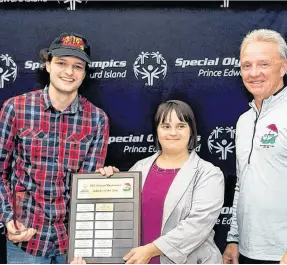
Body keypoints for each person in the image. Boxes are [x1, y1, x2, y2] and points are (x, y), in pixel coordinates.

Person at [0, 32, 110, 264]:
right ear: (47, 64)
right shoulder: (15, 108)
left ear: (84, 73)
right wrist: (8, 218)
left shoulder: (97, 120)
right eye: (61, 63)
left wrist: (85, 243)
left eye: (77, 66)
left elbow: (88, 190)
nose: (69, 72)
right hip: (26, 240)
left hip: (71, 246)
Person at [95, 100, 224, 264]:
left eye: (181, 126)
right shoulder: (139, 168)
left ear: (191, 131)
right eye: (166, 126)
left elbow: (197, 226)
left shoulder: (208, 174)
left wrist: (150, 250)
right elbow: (122, 215)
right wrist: (111, 183)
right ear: (156, 131)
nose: (173, 132)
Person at [223, 29, 287, 264]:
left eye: (263, 64)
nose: (254, 73)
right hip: (248, 252)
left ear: (283, 67)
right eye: (246, 65)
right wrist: (234, 239)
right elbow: (242, 185)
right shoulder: (244, 121)